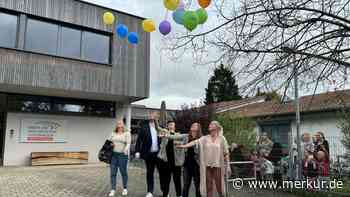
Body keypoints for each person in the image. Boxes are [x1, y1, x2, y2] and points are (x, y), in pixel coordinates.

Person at [177, 121, 230, 197]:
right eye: (210, 124)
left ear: (216, 127)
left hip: (218, 166)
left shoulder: (222, 138)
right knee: (208, 188)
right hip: (207, 167)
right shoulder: (205, 138)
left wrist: (228, 166)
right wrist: (184, 146)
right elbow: (195, 142)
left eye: (212, 124)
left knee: (220, 188)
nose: (209, 125)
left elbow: (226, 153)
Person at [159, 122, 202, 197]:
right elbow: (174, 137)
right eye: (192, 125)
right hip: (187, 164)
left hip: (197, 165)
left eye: (195, 125)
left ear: (198, 128)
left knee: (197, 185)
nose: (192, 125)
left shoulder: (201, 138)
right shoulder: (186, 136)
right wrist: (165, 135)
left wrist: (183, 146)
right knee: (186, 185)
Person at [135, 112, 163, 197]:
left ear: (157, 117)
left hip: (159, 154)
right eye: (151, 115)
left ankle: (164, 190)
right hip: (149, 154)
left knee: (162, 173)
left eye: (154, 115)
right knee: (150, 173)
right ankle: (150, 191)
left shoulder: (161, 127)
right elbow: (139, 140)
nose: (152, 116)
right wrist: (137, 151)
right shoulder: (144, 127)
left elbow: (166, 138)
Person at [156, 120, 185, 197]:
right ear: (167, 126)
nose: (171, 126)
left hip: (176, 162)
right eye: (169, 125)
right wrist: (155, 120)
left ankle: (179, 195)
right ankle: (166, 194)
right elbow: (157, 128)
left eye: (172, 124)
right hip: (166, 161)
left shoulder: (178, 135)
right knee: (166, 180)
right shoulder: (164, 132)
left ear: (174, 126)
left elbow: (183, 147)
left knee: (177, 180)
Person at [108, 120, 131, 197]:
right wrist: (111, 144)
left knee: (123, 172)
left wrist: (126, 149)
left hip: (122, 155)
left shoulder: (127, 133)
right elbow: (108, 142)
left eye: (120, 123)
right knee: (113, 172)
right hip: (114, 155)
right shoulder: (113, 133)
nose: (119, 124)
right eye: (118, 123)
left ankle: (125, 188)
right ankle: (113, 189)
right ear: (116, 125)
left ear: (123, 125)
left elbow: (128, 143)